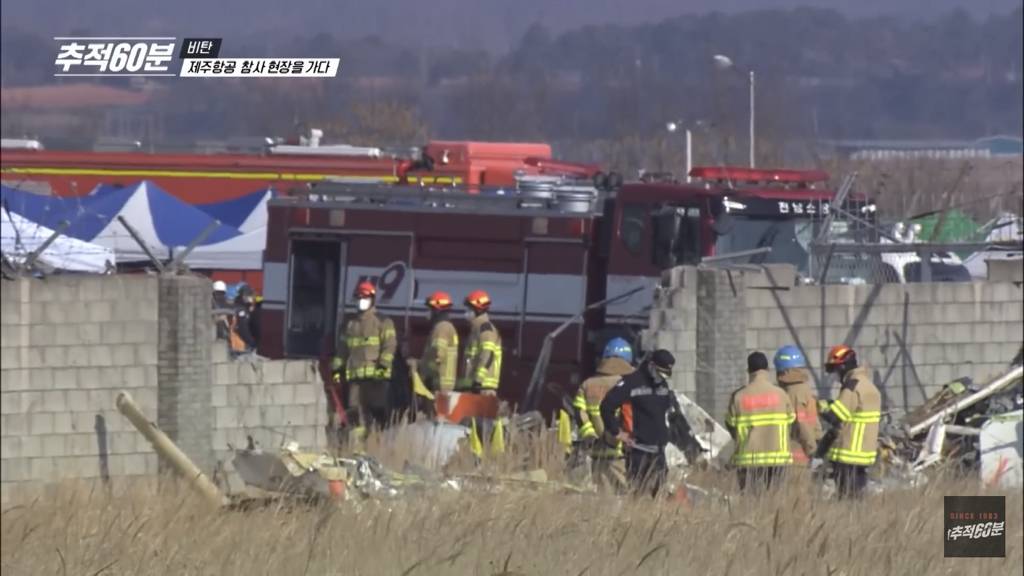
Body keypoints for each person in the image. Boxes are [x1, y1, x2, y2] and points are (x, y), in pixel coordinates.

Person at [599, 349, 681, 497]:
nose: (661, 378)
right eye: (659, 373)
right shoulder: (632, 382)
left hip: (659, 452)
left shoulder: (662, 385)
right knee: (638, 495)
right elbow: (606, 406)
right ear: (651, 365)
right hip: (639, 452)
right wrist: (616, 432)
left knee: (659, 497)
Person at [332, 281, 397, 447]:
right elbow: (342, 350)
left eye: (365, 298)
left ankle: (378, 443)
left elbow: (390, 346)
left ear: (372, 299)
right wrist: (337, 369)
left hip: (376, 380)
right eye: (359, 298)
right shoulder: (350, 324)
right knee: (354, 411)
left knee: (376, 414)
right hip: (355, 379)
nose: (361, 301)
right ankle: (358, 445)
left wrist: (383, 367)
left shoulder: (382, 322)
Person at [726, 352, 795, 493]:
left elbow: (730, 424)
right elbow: (791, 420)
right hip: (777, 458)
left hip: (748, 459)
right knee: (775, 501)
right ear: (767, 370)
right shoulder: (781, 394)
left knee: (750, 503)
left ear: (749, 371)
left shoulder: (738, 396)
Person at [573, 337, 635, 493]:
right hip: (620, 456)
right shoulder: (628, 384)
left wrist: (589, 435)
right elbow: (630, 417)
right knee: (625, 501)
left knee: (601, 502)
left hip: (595, 455)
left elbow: (579, 413)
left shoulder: (587, 384)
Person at [820, 345, 881, 499]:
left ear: (843, 367)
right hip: (864, 454)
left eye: (836, 370)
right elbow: (853, 412)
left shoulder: (852, 386)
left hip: (849, 454)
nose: (835, 375)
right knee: (857, 498)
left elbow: (835, 417)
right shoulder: (869, 385)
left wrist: (822, 406)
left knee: (846, 499)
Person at [459, 290, 505, 455]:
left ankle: (488, 460)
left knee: (484, 429)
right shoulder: (476, 329)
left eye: (469, 309)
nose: (466, 313)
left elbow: (488, 354)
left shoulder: (486, 329)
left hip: (484, 387)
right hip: (476, 387)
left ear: (478, 309)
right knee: (473, 428)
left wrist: (478, 379)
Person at [773, 345, 823, 468]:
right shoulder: (803, 388)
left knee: (796, 486)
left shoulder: (793, 392)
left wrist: (813, 452)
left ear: (784, 371)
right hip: (807, 447)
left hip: (799, 452)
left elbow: (802, 423)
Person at [420, 291, 459, 392]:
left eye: (429, 309)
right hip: (443, 382)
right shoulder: (447, 326)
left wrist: (426, 374)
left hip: (438, 382)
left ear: (436, 310)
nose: (428, 312)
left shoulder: (441, 328)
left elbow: (437, 355)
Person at [229, 291, 257, 355]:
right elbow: (243, 329)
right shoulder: (242, 311)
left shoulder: (235, 307)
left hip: (234, 345)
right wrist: (252, 343)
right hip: (240, 346)